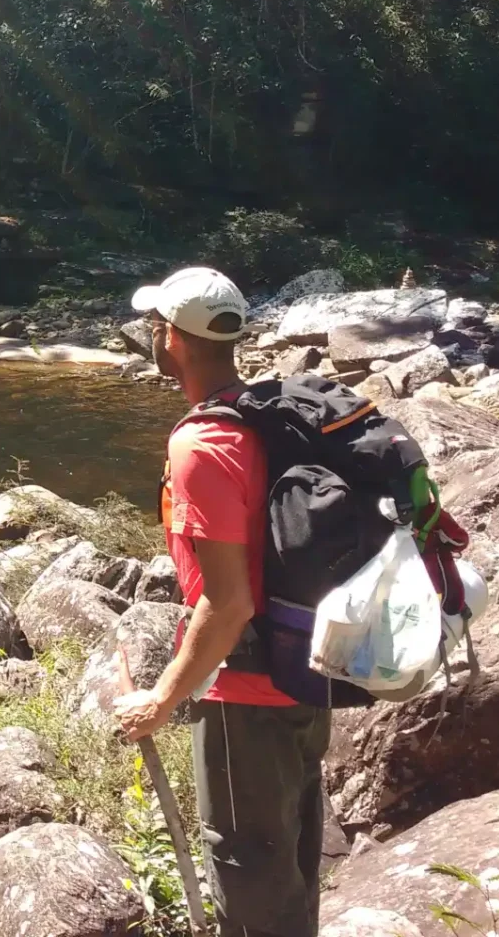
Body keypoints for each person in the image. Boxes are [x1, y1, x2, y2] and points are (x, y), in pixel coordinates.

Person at [112, 267, 331, 937]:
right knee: (290, 866)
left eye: (155, 325)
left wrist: (160, 701)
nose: (151, 334)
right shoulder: (264, 416)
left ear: (171, 338)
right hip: (308, 675)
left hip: (247, 702)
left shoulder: (202, 444)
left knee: (249, 885)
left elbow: (227, 603)